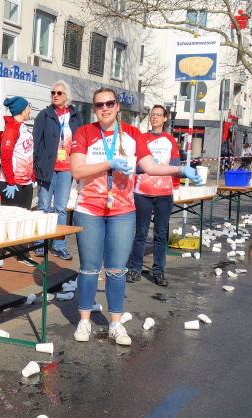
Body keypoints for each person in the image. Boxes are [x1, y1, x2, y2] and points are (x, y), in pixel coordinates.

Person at [69, 88, 203, 346]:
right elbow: (77, 171)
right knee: (89, 268)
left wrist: (180, 170)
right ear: (94, 108)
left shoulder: (132, 134)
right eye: (99, 105)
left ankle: (115, 323)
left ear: (118, 106)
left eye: (110, 103)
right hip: (89, 208)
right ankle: (84, 320)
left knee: (117, 270)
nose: (105, 108)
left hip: (122, 210)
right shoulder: (84, 132)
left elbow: (150, 166)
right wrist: (110, 163)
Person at [126, 105, 182, 287]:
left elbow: (175, 166)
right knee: (140, 233)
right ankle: (135, 268)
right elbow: (134, 165)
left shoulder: (170, 140)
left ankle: (158, 270)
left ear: (165, 118)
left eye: (158, 115)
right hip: (143, 192)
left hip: (164, 194)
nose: (154, 117)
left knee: (161, 234)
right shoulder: (142, 139)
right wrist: (149, 166)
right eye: (152, 115)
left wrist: (177, 178)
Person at [32, 80, 83, 260]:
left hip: (66, 168)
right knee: (44, 207)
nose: (55, 95)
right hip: (47, 168)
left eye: (59, 93)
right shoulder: (44, 115)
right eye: (53, 92)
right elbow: (36, 142)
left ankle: (60, 246)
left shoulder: (75, 116)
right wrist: (35, 167)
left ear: (66, 96)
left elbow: (80, 142)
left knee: (61, 209)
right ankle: (40, 244)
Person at [0, 96, 35, 267]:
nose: (30, 110)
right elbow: (5, 157)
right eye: (28, 107)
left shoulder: (24, 128)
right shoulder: (12, 129)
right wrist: (11, 182)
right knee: (8, 220)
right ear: (22, 110)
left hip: (25, 182)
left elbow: (28, 154)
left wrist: (32, 177)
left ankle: (22, 254)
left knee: (23, 219)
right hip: (11, 183)